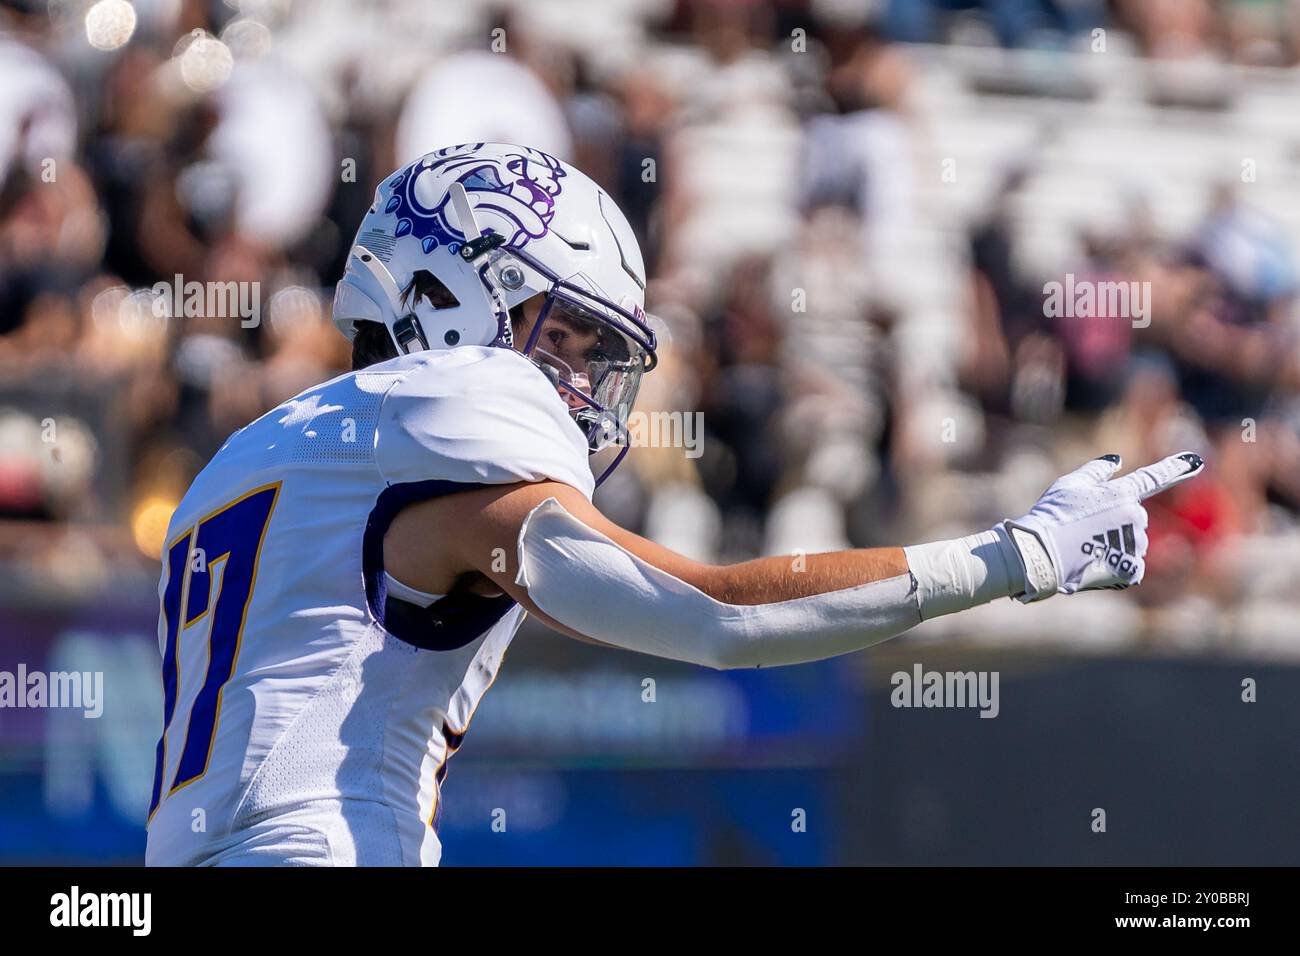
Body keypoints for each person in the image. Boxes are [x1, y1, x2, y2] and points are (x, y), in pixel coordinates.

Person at [144, 142, 1203, 866]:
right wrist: (1015, 554)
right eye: (560, 338)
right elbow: (720, 614)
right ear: (443, 296)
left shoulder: (247, 457)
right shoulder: (462, 397)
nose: (576, 381)